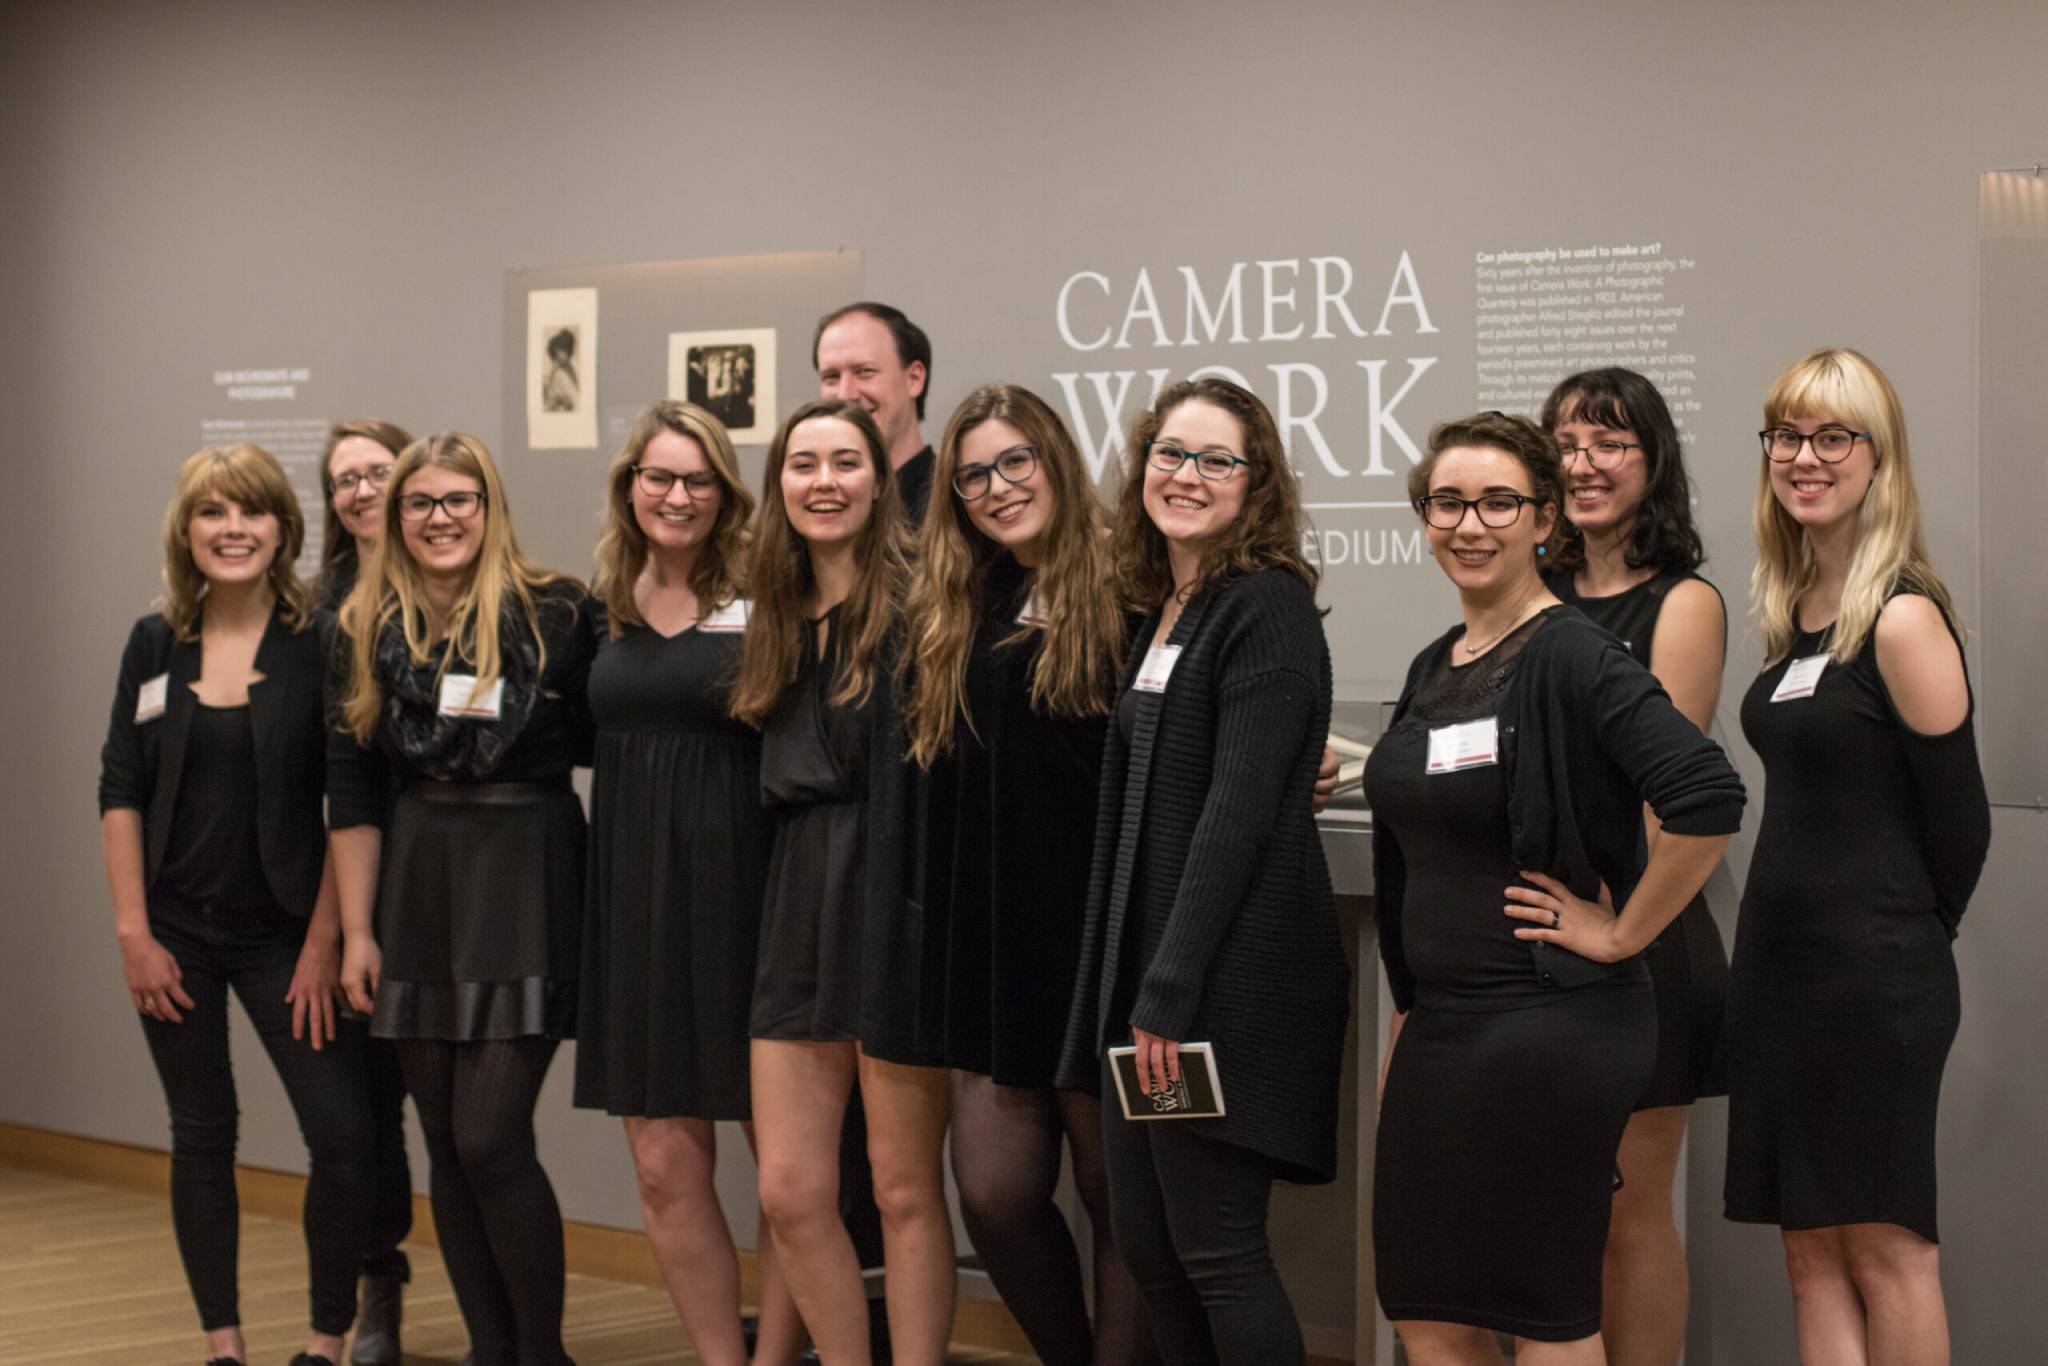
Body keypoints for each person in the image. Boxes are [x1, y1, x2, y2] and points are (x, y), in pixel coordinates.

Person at [1363, 411, 1743, 1365]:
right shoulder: (1431, 665)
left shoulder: (1571, 654)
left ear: (1543, 521)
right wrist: (1411, 1014)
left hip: (1549, 1027)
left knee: (1544, 1313)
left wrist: (1621, 934)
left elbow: (1707, 795)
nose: (1470, 523)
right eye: (1447, 501)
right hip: (1443, 1028)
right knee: (1424, 1308)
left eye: (1499, 501)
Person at [1057, 377, 1346, 1364]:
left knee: (1217, 1252)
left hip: (1222, 987)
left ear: (1254, 482)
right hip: (1159, 984)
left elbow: (1232, 818)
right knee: (1152, 1249)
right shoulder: (1168, 606)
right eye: (1169, 453)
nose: (1185, 475)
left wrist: (1168, 992)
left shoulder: (1262, 607)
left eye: (1215, 459)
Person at [1724, 348, 1990, 1365]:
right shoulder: (1792, 614)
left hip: (1871, 983)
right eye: (1786, 435)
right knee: (1808, 1254)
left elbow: (1959, 826)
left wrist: (1892, 943)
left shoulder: (1903, 615)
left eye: (1831, 435)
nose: (1803, 457)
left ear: (1878, 458)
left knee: (1886, 1250)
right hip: (1782, 977)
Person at [98, 442, 371, 1366]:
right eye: (213, 513)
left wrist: (326, 940)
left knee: (340, 1131)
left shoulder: (320, 642)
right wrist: (133, 933)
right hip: (175, 932)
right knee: (202, 1133)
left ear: (283, 529)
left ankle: (327, 1340)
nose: (233, 529)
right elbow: (119, 789)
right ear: (187, 531)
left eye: (251, 512)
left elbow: (349, 798)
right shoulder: (153, 641)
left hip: (287, 936)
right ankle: (223, 1344)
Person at [330, 433, 597, 1366]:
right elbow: (354, 792)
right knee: (444, 1140)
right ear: (395, 517)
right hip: (419, 886)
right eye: (421, 502)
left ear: (490, 506)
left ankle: (543, 1353)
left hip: (528, 874)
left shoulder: (558, 611)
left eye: (459, 499)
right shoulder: (366, 625)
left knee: (489, 1136)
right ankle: (495, 1351)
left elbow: (619, 739)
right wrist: (357, 931)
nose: (440, 518)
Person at [902, 383, 1154, 1364]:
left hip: (1105, 942)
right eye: (972, 474)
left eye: (1014, 461)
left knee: (1114, 1195)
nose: (997, 486)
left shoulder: (1133, 589)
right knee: (996, 1196)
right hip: (996, 945)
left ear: (1052, 458)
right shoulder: (961, 604)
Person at [574, 400, 803, 1366]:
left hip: (750, 889)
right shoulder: (601, 600)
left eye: (699, 479)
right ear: (631, 486)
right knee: (666, 1165)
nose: (678, 496)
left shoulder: (767, 589)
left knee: (788, 1171)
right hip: (630, 894)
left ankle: (784, 1351)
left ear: (726, 493)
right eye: (660, 477)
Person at [730, 399, 954, 1366]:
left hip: (892, 894)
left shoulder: (924, 605)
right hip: (794, 903)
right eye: (802, 463)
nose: (823, 481)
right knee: (788, 1189)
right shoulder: (770, 613)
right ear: (779, 485)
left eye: (845, 463)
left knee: (902, 1187)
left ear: (880, 479)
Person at [1537, 369, 1727, 1366]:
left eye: (1608, 442)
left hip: (1640, 938)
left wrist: (1609, 932)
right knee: (1549, 1213)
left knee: (1628, 1214)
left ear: (1649, 461)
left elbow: (1668, 800)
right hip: (1539, 935)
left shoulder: (1682, 602)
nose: (1583, 463)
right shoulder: (1531, 596)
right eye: (1565, 442)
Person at [311, 416, 419, 1366]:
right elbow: (338, 779)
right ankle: (378, 1289)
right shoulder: (322, 610)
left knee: (474, 1118)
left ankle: (505, 1315)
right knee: (369, 1104)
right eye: (343, 480)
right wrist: (342, 926)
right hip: (353, 889)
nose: (360, 491)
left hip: (449, 875)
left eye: (377, 471)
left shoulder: (459, 585)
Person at [814, 301, 934, 520]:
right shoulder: (816, 507)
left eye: (865, 372)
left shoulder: (956, 504)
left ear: (914, 379)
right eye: (831, 377)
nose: (845, 395)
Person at [315, 419, 413, 610]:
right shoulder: (314, 605)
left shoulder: (443, 594)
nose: (364, 492)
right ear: (332, 500)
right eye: (347, 480)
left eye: (381, 472)